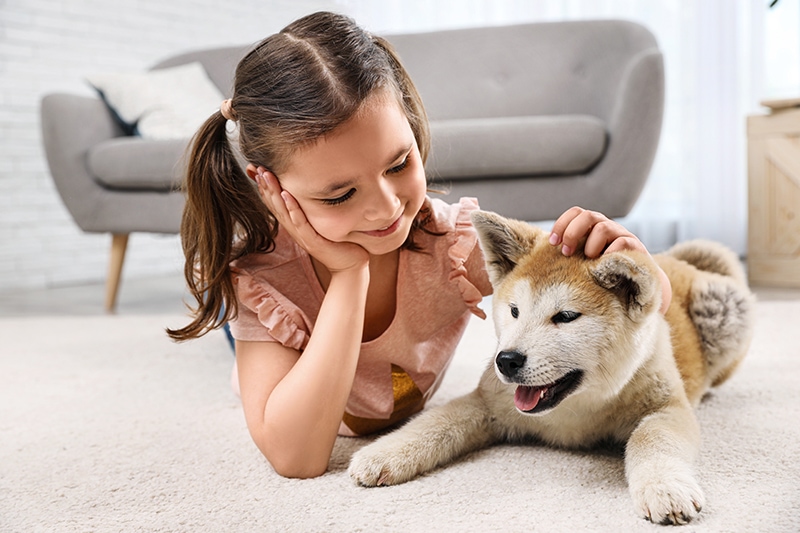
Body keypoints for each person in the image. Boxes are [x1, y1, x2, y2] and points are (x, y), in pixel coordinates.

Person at [167, 11, 672, 479]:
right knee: (246, 359)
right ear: (270, 188)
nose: (387, 209)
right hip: (292, 308)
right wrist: (348, 276)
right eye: (341, 194)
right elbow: (296, 458)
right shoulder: (262, 282)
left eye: (399, 164)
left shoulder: (449, 240)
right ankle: (240, 345)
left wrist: (637, 263)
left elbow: (641, 307)